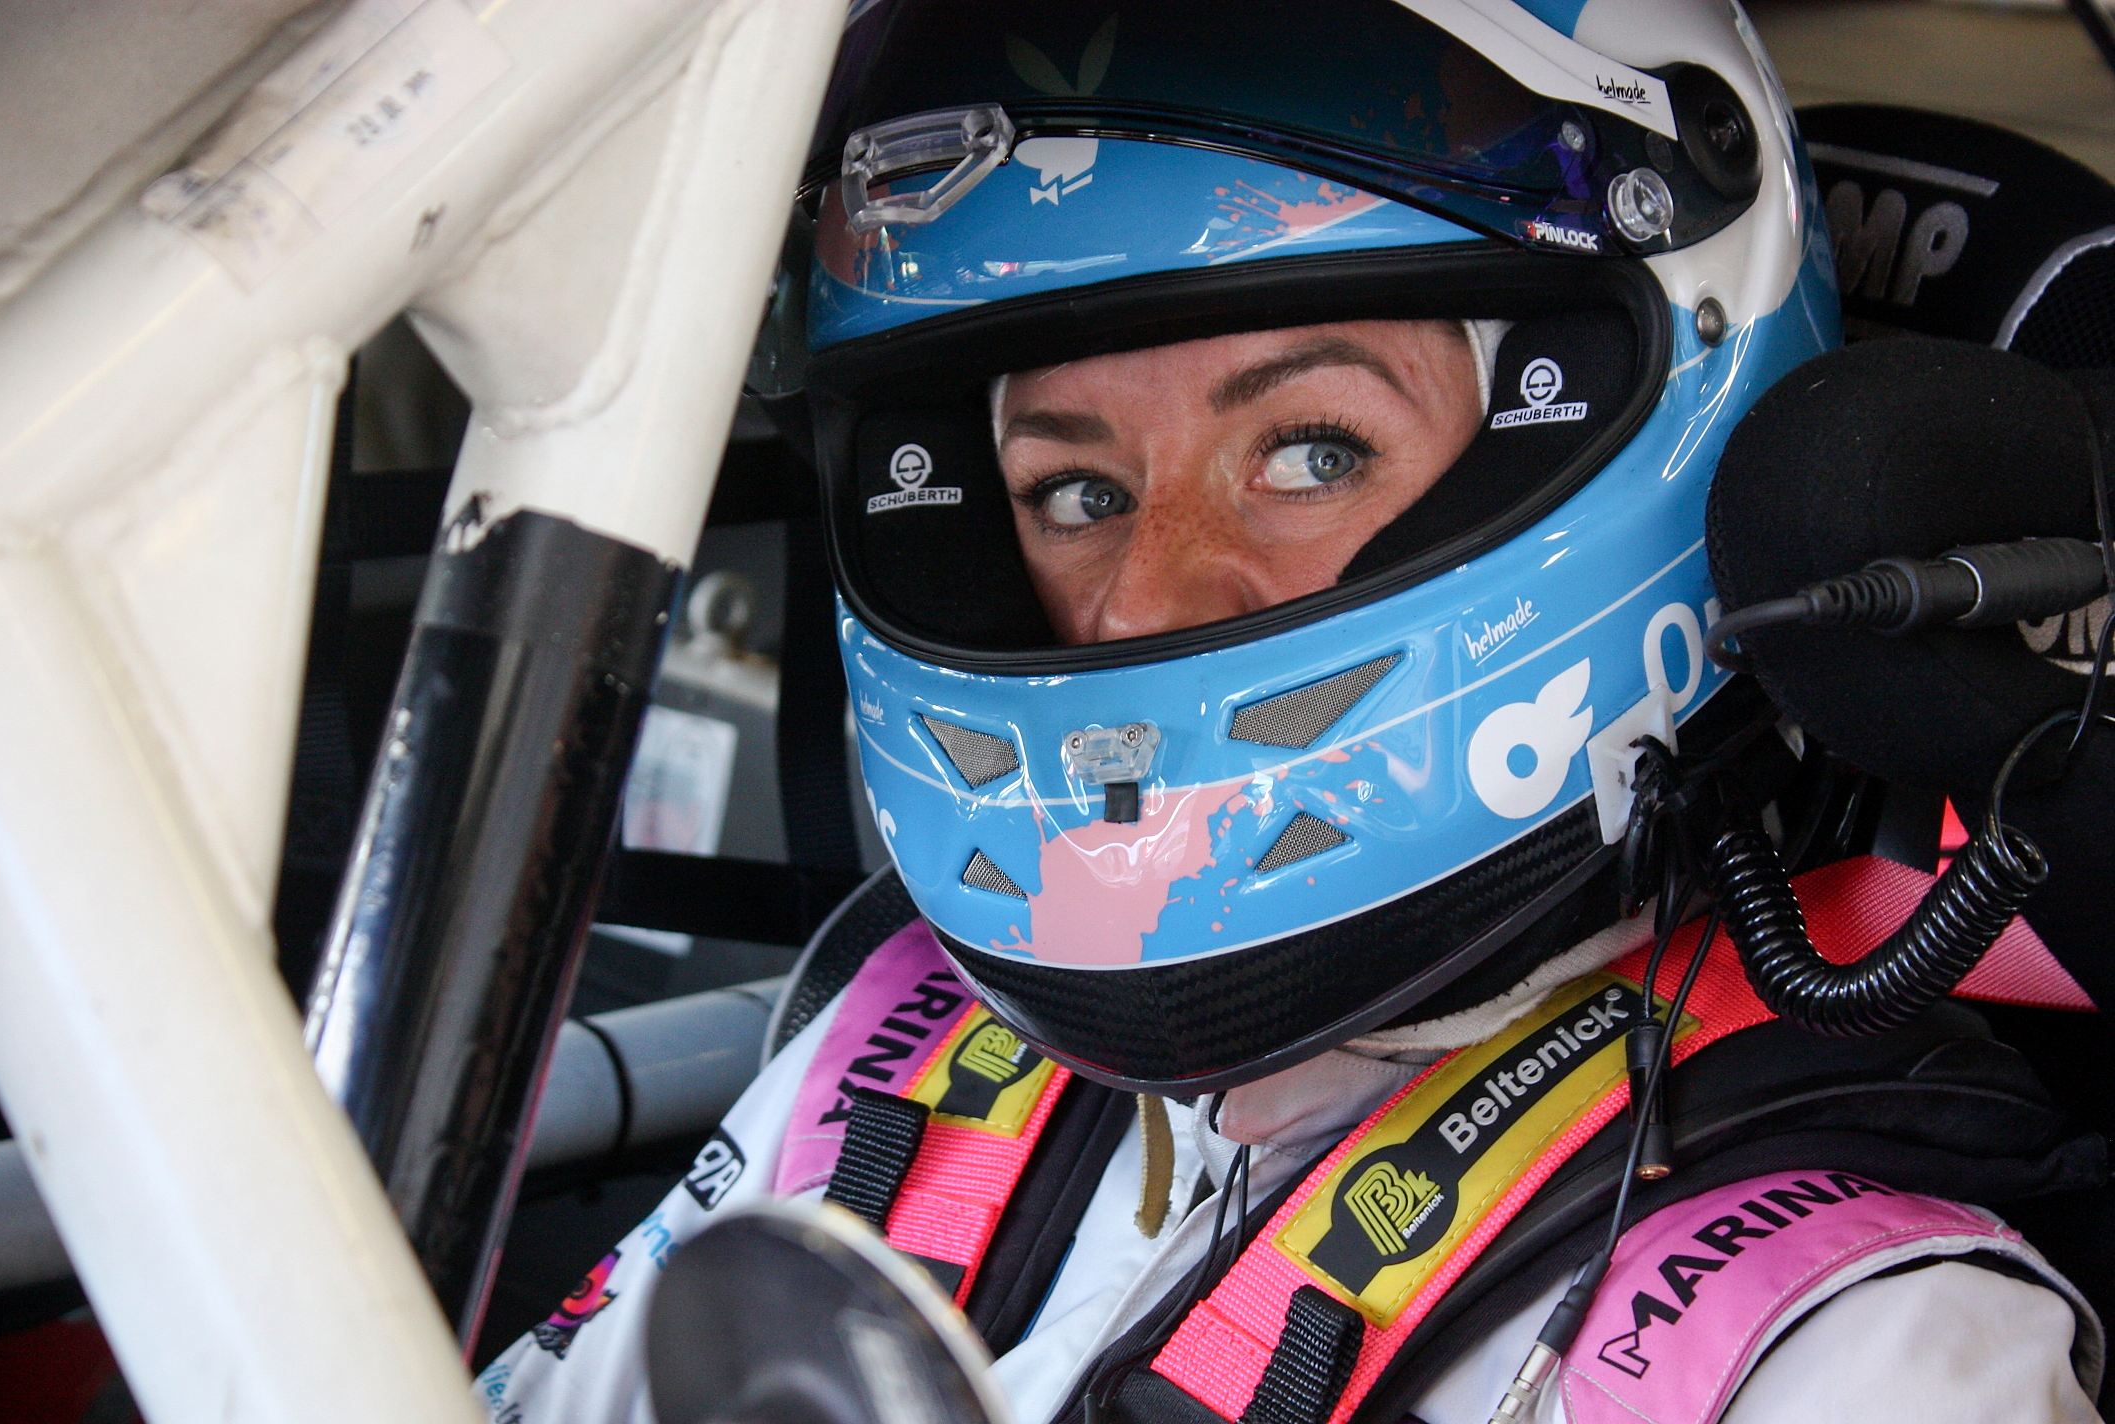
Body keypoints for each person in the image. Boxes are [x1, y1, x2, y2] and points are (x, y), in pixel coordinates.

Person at [477, 3, 2107, 1421]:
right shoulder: (894, 1052)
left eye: (1311, 452)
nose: (1142, 598)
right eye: (1073, 490)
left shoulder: (1845, 1352)